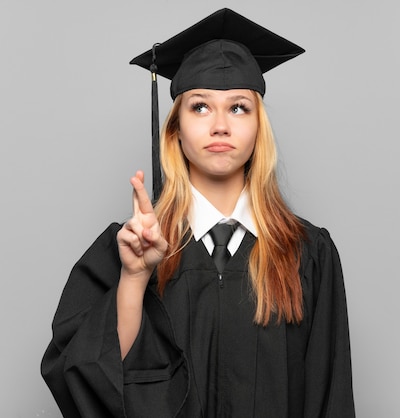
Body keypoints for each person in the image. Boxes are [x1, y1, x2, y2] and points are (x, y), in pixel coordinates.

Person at [41, 8, 355, 418]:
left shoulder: (307, 253)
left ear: (259, 126)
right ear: (175, 129)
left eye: (239, 107)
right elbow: (86, 378)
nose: (220, 125)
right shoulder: (129, 249)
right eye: (200, 107)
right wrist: (134, 279)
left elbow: (330, 397)